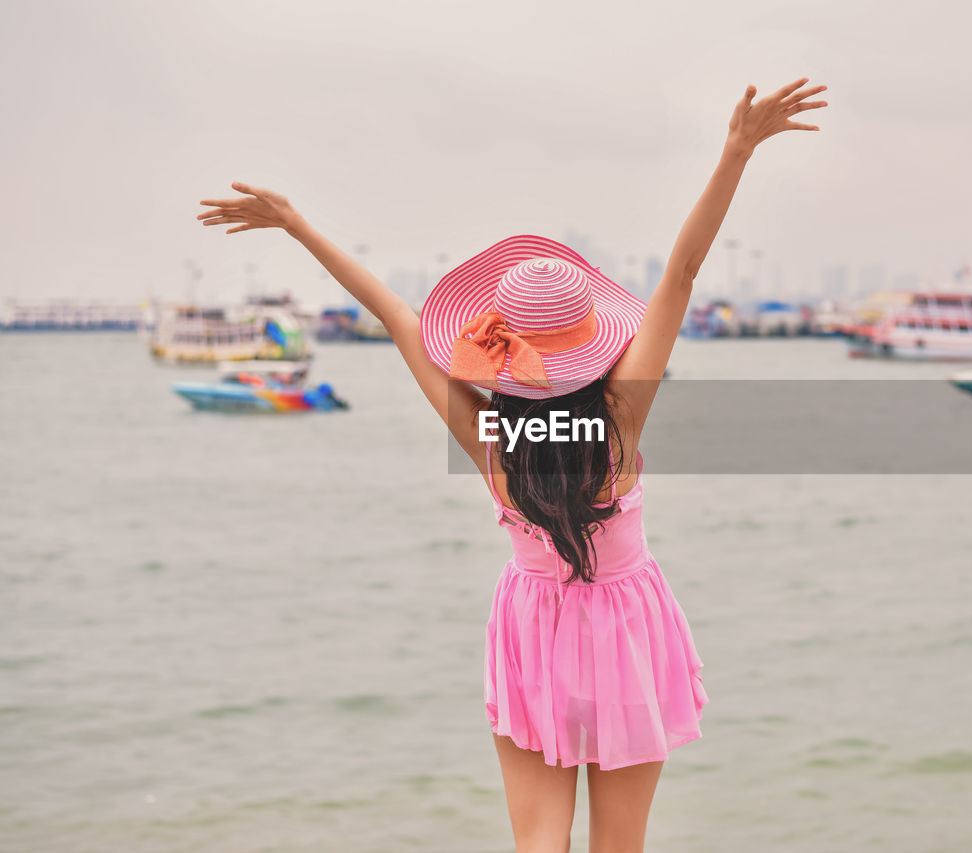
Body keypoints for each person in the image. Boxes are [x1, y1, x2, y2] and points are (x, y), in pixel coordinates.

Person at [196, 77, 827, 852]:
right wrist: (737, 151)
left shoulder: (489, 435)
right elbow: (682, 274)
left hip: (532, 627)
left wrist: (295, 225)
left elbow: (397, 318)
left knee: (537, 841)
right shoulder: (620, 421)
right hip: (627, 628)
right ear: (596, 349)